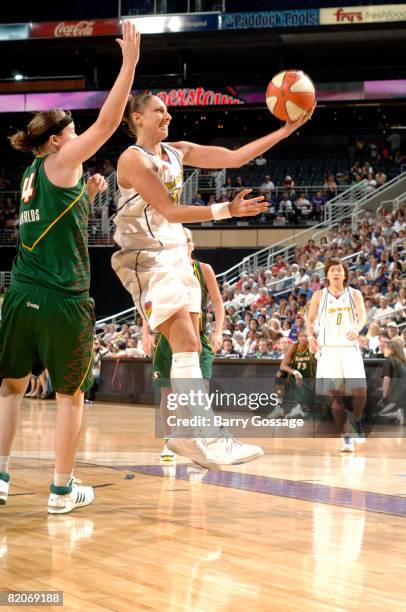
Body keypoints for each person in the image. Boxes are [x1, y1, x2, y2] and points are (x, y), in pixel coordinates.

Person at [111, 90, 314, 468]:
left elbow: (236, 157)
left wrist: (285, 130)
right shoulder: (131, 159)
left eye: (168, 110)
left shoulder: (177, 151)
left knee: (189, 343)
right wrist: (227, 209)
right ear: (137, 118)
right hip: (145, 256)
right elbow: (169, 209)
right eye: (158, 110)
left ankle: (184, 435)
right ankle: (206, 435)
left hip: (174, 253)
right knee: (185, 342)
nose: (167, 115)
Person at [0, 22, 141, 512]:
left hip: (20, 292)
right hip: (61, 297)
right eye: (72, 133)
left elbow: (55, 219)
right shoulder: (64, 160)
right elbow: (106, 124)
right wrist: (129, 65)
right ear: (58, 141)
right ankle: (61, 489)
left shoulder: (32, 173)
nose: (80, 138)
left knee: (10, 388)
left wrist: (87, 195)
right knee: (69, 396)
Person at [143, 228, 226, 462]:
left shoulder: (203, 269)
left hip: (197, 336)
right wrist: (146, 331)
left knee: (201, 390)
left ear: (192, 244)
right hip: (167, 337)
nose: (184, 244)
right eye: (180, 240)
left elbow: (218, 304)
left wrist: (218, 331)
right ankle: (170, 442)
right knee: (168, 393)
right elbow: (148, 300)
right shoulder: (161, 269)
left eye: (187, 240)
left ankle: (197, 439)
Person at [306, 257, 367, 452]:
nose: (336, 273)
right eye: (332, 270)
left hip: (349, 348)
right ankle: (345, 435)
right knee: (336, 395)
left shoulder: (354, 294)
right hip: (328, 349)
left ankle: (356, 421)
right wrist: (309, 337)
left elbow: (363, 316)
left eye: (339, 270)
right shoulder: (319, 296)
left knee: (359, 391)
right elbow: (310, 320)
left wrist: (357, 329)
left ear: (345, 274)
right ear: (327, 275)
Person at [279, 331, 316, 418]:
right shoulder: (294, 347)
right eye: (301, 336)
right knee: (280, 374)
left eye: (305, 336)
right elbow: (283, 365)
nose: (303, 338)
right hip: (296, 377)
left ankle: (302, 408)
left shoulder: (313, 346)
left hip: (310, 378)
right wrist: (295, 372)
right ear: (298, 338)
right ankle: (280, 405)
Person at [376, 340, 406, 424]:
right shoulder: (401, 362)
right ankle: (399, 412)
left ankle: (398, 413)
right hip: (402, 396)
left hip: (397, 397)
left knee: (377, 415)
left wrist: (384, 397)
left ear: (391, 350)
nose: (383, 349)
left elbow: (387, 380)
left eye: (385, 348)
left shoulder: (389, 360)